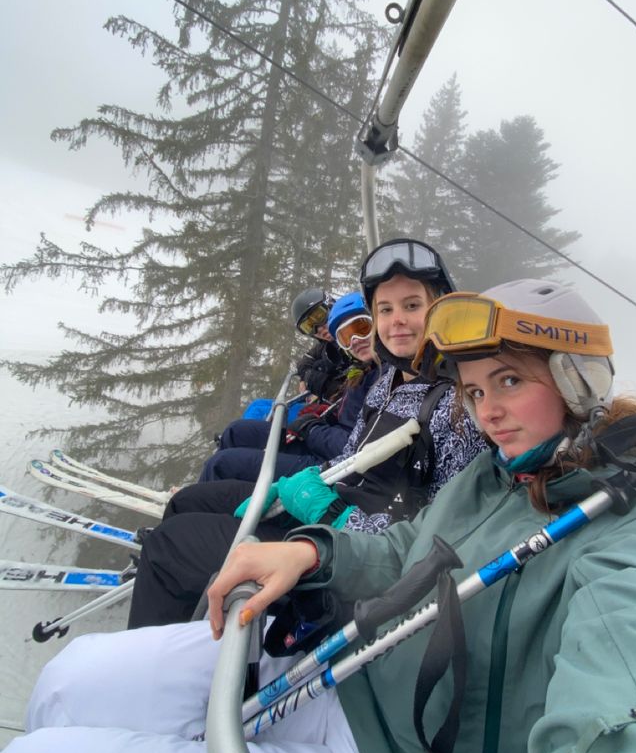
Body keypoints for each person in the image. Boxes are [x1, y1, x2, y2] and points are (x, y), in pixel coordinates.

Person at [3, 277, 636, 753]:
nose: (488, 412)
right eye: (476, 391)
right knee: (74, 679)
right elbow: (408, 556)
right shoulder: (502, 472)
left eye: (509, 380)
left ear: (577, 378)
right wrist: (314, 549)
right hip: (347, 678)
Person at [125, 239, 487, 627]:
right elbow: (351, 455)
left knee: (170, 545)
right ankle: (194, 613)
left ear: (440, 310)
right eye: (385, 309)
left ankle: (168, 657)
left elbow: (433, 539)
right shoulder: (388, 383)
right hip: (324, 511)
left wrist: (332, 514)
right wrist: (294, 486)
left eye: (412, 306)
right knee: (189, 502)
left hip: (348, 559)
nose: (397, 319)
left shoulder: (458, 411)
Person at [199, 287, 351, 482]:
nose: (319, 328)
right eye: (309, 326)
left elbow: (344, 402)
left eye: (320, 316)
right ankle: (206, 487)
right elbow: (304, 364)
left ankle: (213, 492)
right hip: (320, 433)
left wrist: (322, 389)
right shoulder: (329, 348)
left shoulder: (362, 354)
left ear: (332, 305)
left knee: (222, 463)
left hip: (327, 450)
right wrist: (318, 380)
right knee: (235, 431)